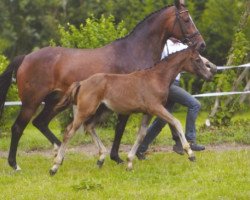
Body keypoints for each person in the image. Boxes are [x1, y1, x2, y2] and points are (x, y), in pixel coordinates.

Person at [136, 38, 205, 159]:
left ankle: (140, 149)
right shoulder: (164, 45)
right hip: (167, 84)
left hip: (175, 83)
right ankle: (190, 140)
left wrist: (209, 65)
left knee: (162, 119)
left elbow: (197, 57)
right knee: (194, 104)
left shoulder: (183, 46)